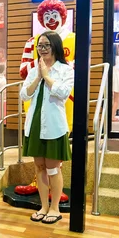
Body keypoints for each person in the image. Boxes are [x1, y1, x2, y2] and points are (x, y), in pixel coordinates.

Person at [20, 31, 74, 225]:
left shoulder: (66, 70)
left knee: (53, 168)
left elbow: (63, 93)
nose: (42, 49)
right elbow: (24, 95)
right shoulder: (34, 69)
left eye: (46, 45)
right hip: (34, 124)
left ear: (55, 47)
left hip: (54, 125)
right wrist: (38, 77)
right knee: (40, 167)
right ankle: (43, 207)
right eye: (40, 46)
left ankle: (55, 208)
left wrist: (47, 77)